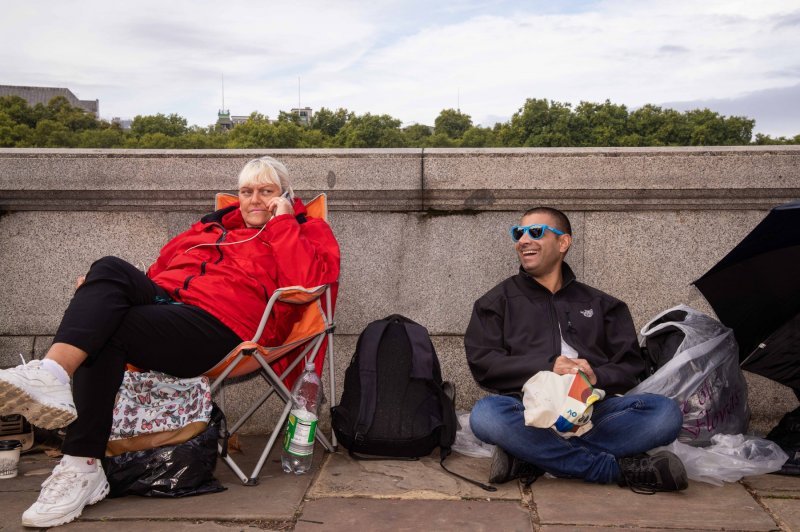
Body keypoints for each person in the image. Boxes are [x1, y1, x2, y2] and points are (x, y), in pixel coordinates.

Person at [0, 156, 340, 527]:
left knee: (110, 328)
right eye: (247, 191)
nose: (255, 199)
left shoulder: (304, 231)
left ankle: (80, 462)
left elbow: (307, 282)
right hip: (170, 310)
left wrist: (284, 221)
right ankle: (52, 377)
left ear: (285, 195)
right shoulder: (205, 232)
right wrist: (99, 296)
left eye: (267, 192)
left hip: (227, 328)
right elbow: (157, 275)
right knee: (108, 268)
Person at [465, 206, 687, 494]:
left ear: (563, 243)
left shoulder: (602, 304)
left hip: (592, 412)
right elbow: (484, 364)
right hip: (528, 413)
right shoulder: (495, 302)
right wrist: (547, 365)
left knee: (666, 414)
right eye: (518, 233)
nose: (523, 240)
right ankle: (614, 469)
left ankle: (531, 457)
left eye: (535, 232)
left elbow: (632, 366)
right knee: (485, 415)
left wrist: (596, 376)